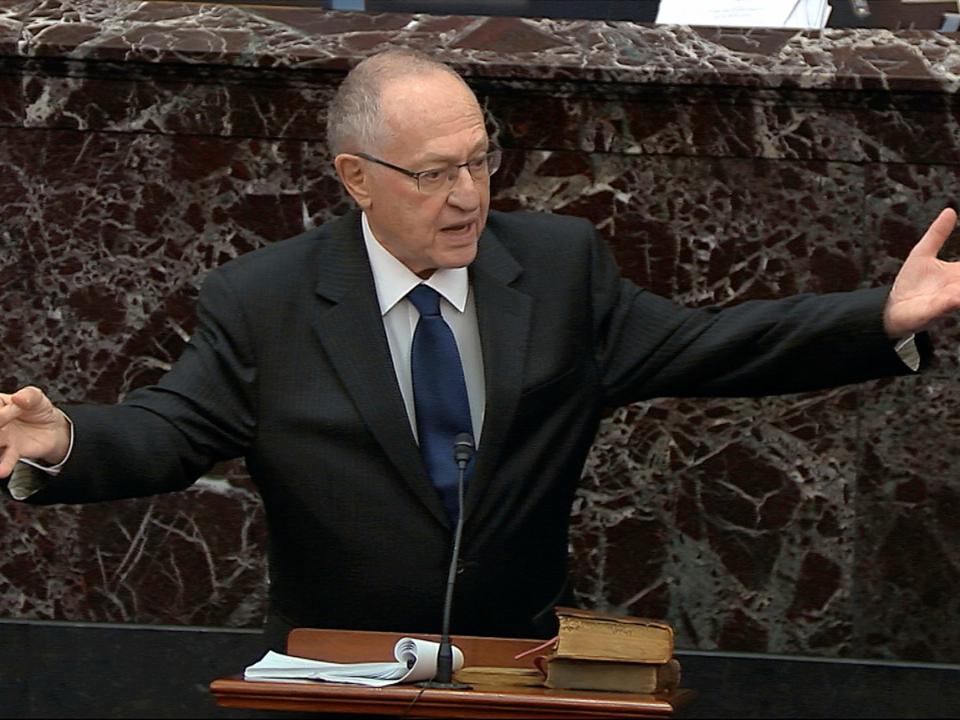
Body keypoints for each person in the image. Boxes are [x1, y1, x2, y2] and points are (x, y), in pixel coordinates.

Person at [1, 48, 958, 649]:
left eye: (479, 161)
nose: (467, 195)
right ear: (356, 179)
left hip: (520, 660)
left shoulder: (555, 268)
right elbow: (169, 432)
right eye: (432, 173)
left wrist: (883, 315)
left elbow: (713, 346)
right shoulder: (266, 299)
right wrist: (61, 445)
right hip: (338, 665)